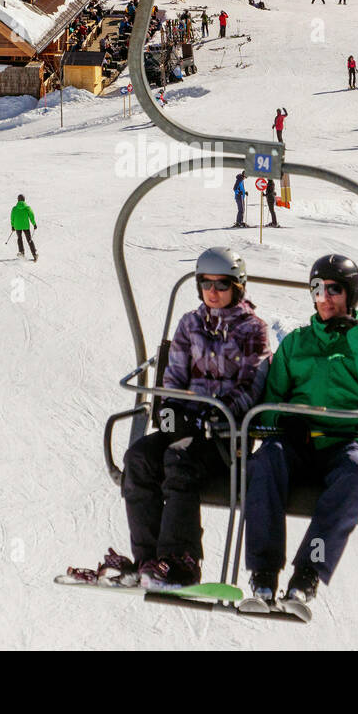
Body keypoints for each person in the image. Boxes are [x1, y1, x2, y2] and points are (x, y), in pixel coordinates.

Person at [107, 248, 272, 589]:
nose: (213, 291)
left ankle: (181, 562)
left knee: (179, 458)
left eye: (222, 284)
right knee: (137, 459)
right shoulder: (189, 323)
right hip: (186, 427)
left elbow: (250, 387)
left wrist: (215, 415)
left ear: (237, 288)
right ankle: (148, 559)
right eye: (206, 283)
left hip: (226, 437)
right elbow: (174, 377)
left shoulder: (252, 330)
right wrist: (171, 407)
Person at [243, 254, 358, 615]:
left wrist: (356, 336)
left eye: (334, 290)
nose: (324, 297)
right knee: (265, 461)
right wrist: (287, 420)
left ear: (352, 295)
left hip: (347, 440)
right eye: (317, 289)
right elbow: (272, 400)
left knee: (356, 476)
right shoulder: (297, 343)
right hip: (298, 441)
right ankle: (263, 574)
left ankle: (307, 576)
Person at [10, 194, 38, 260]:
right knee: (29, 239)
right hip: (26, 226)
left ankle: (22, 252)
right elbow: (31, 216)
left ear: (18, 200)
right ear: (24, 200)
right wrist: (34, 224)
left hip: (17, 226)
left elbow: (12, 218)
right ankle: (34, 254)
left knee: (19, 239)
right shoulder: (27, 208)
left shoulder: (14, 208)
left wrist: (13, 226)